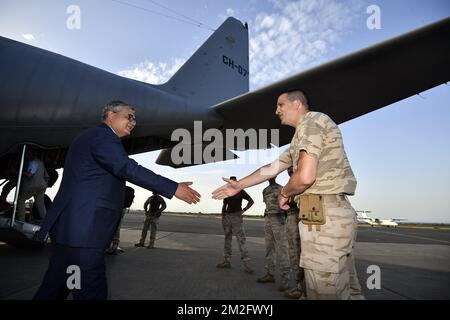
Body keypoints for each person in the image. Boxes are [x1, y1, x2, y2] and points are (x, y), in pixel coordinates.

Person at [33, 100, 200, 300]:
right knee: (90, 290)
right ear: (111, 115)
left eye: (135, 118)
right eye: (129, 116)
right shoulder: (103, 137)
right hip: (84, 231)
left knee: (59, 284)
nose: (134, 122)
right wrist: (172, 188)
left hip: (73, 230)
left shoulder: (93, 137)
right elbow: (127, 168)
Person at [212, 89, 363, 300]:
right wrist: (240, 185)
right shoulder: (300, 136)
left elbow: (305, 176)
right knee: (347, 293)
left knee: (323, 293)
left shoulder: (311, 122)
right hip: (327, 215)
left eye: (280, 105)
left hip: (325, 219)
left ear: (297, 104)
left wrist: (285, 192)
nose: (276, 111)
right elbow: (272, 168)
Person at [257, 177, 291, 292]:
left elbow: (287, 206)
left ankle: (285, 279)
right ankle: (270, 274)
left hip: (279, 218)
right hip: (268, 219)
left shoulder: (282, 189)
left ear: (275, 176)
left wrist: (284, 220)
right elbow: (266, 205)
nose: (270, 176)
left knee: (282, 248)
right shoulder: (265, 190)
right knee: (269, 248)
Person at [216, 176, 254, 274]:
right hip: (227, 217)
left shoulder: (240, 191)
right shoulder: (227, 192)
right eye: (231, 181)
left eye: (233, 181)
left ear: (236, 182)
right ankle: (226, 261)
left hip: (237, 217)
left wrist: (243, 210)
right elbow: (224, 206)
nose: (232, 183)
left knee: (241, 240)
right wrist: (223, 218)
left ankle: (247, 265)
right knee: (227, 239)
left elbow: (251, 201)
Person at [284, 166, 306, 299]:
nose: (289, 170)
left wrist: (287, 199)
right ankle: (300, 286)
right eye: (288, 168)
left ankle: (301, 288)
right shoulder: (292, 183)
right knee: (294, 253)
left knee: (298, 253)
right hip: (292, 218)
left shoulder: (300, 182)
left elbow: (292, 202)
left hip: (298, 219)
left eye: (292, 168)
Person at [17, 150, 48, 222]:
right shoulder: (41, 163)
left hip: (33, 185)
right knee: (40, 203)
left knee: (20, 200)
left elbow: (29, 174)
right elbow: (46, 176)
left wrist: (18, 172)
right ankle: (45, 221)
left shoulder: (32, 162)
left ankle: (21, 221)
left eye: (27, 155)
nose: (26, 156)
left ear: (30, 154)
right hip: (42, 186)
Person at [106, 185, 135, 255]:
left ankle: (110, 247)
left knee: (111, 227)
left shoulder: (118, 189)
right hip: (122, 210)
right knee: (117, 228)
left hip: (115, 209)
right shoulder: (125, 190)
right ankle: (114, 246)